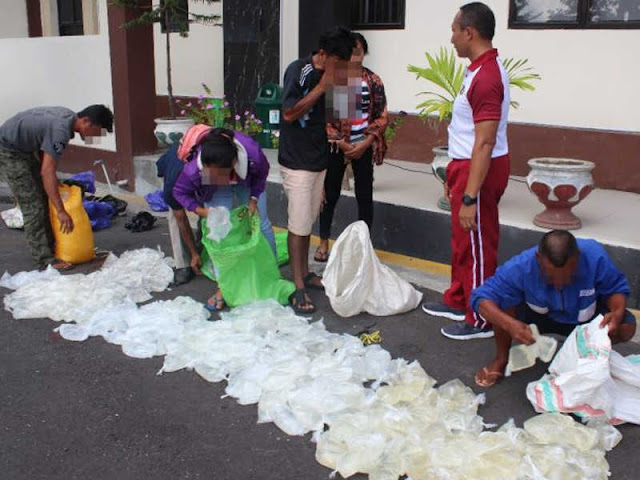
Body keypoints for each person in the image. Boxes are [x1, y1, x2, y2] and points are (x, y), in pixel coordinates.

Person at [421, 3, 511, 340]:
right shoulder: (476, 69)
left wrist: (471, 195)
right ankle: (460, 299)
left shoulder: (487, 77)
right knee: (463, 241)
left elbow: (485, 143)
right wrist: (454, 177)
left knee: (478, 245)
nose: (452, 38)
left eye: (454, 31)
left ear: (469, 32)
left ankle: (482, 319)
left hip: (480, 170)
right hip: (465, 167)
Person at [470, 230, 637, 388]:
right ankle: (501, 358)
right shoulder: (522, 265)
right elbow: (479, 298)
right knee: (501, 304)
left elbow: (615, 288)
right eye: (550, 276)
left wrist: (616, 313)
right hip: (538, 319)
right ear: (538, 258)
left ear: (578, 258)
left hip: (584, 320)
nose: (560, 284)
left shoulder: (594, 255)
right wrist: (510, 325)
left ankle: (588, 356)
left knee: (626, 326)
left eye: (568, 275)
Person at [279, 26, 355, 314]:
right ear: (323, 54)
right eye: (339, 63)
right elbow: (288, 114)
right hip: (296, 161)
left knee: (307, 222)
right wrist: (321, 88)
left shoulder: (334, 77)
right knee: (297, 225)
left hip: (317, 160)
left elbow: (332, 119)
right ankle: (298, 286)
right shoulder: (299, 71)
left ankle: (306, 272)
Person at [172, 127, 276, 311]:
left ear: (234, 162)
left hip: (246, 180)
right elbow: (179, 192)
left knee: (262, 224)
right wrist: (201, 210)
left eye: (220, 174)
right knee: (220, 233)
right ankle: (224, 287)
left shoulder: (253, 156)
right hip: (214, 191)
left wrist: (253, 199)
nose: (218, 179)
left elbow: (261, 175)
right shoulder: (194, 171)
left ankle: (270, 274)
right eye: (210, 173)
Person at [0, 105, 113, 270]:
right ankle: (43, 260)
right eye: (98, 131)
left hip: (23, 148)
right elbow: (47, 171)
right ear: (86, 121)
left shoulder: (67, 117)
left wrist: (51, 186)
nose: (97, 136)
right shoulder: (61, 131)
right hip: (8, 151)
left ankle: (52, 246)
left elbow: (42, 148)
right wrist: (61, 211)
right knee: (34, 206)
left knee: (46, 196)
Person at [315, 32, 388, 262]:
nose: (354, 57)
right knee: (331, 194)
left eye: (358, 52)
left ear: (364, 53)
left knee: (364, 195)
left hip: (363, 147)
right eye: (351, 52)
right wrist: (343, 144)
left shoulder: (373, 81)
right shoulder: (336, 79)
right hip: (338, 148)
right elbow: (326, 118)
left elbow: (381, 116)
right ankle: (324, 241)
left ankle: (364, 246)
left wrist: (365, 143)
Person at [156, 144, 202, 286]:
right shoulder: (173, 184)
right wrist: (193, 254)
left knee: (208, 210)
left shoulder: (210, 169)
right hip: (172, 168)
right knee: (176, 218)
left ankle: (204, 249)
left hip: (201, 167)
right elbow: (181, 219)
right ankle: (183, 264)